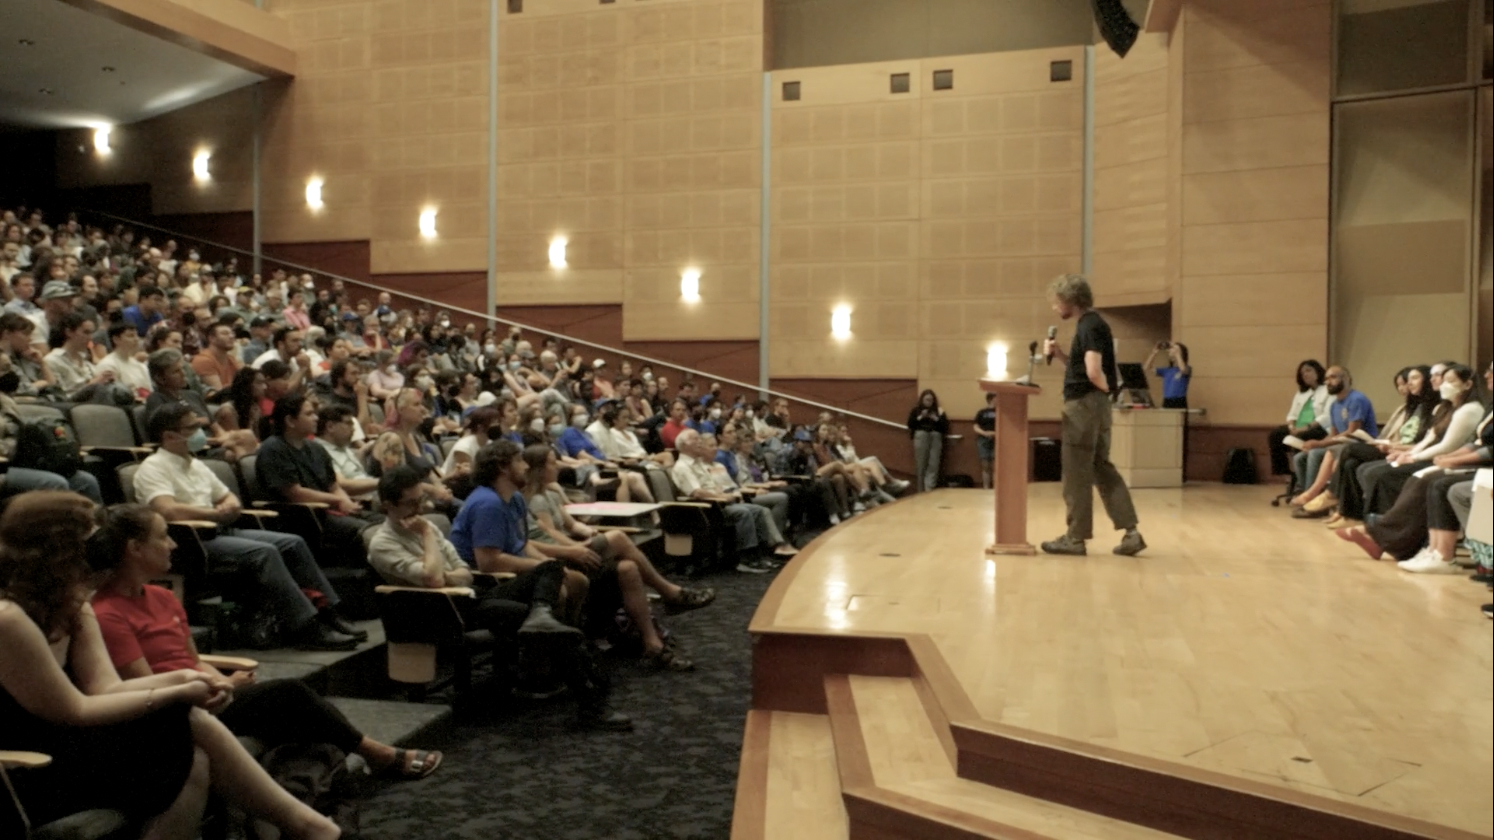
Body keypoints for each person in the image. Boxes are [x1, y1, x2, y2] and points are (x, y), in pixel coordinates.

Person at [0, 491, 343, 840]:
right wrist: (177, 693)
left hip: (79, 742)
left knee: (196, 757)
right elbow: (75, 709)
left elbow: (106, 687)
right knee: (181, 720)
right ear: (59, 551)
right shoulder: (9, 618)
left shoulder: (74, 606)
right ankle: (309, 827)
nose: (101, 552)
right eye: (92, 541)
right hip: (31, 765)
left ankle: (309, 827)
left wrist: (186, 677)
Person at [89, 503, 443, 780]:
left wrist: (220, 683)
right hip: (171, 712)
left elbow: (192, 660)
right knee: (288, 695)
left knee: (298, 719)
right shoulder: (107, 613)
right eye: (163, 536)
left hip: (204, 693)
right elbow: (144, 688)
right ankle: (377, 754)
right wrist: (224, 685)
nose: (173, 544)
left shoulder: (163, 597)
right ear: (135, 548)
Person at [134, 402, 365, 650]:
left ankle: (330, 612)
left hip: (220, 530)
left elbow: (227, 496)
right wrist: (214, 513)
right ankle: (306, 627)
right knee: (264, 552)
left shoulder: (195, 464)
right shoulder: (153, 467)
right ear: (169, 435)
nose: (201, 433)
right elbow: (167, 510)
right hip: (192, 541)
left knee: (292, 542)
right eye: (192, 428)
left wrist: (230, 505)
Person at [439, 449, 635, 731]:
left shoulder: (515, 498)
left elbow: (523, 545)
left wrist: (548, 566)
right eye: (519, 461)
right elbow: (488, 562)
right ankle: (559, 678)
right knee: (555, 592)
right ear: (503, 467)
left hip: (505, 581)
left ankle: (551, 656)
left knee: (570, 578)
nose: (525, 466)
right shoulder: (486, 503)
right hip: (484, 587)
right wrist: (546, 568)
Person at [521, 445, 712, 670]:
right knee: (619, 537)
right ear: (539, 469)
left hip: (573, 549)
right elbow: (550, 535)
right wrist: (577, 547)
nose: (558, 467)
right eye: (552, 463)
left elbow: (572, 525)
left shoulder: (550, 494)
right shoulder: (534, 501)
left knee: (628, 567)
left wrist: (589, 533)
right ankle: (669, 592)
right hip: (562, 557)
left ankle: (652, 643)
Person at [1040, 274, 1145, 557]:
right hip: (1096, 404)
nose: (1055, 307)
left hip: (1083, 407)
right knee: (1101, 467)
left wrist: (1106, 390)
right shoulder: (1095, 324)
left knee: (1076, 472)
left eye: (1057, 301)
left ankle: (1075, 538)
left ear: (1070, 300)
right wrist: (1060, 355)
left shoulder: (1089, 326)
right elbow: (1084, 369)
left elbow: (1093, 371)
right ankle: (1131, 532)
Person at [257, 393, 383, 567]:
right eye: (309, 414)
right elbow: (295, 493)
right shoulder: (273, 449)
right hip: (304, 518)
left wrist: (346, 502)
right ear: (290, 420)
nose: (316, 418)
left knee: (388, 523)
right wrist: (338, 500)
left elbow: (333, 486)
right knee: (370, 532)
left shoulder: (316, 448)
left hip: (330, 510)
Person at [1267, 360, 1331, 478]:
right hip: (1298, 426)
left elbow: (1327, 416)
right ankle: (1285, 473)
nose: (1305, 375)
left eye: (1308, 370)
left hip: (1318, 428)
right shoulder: (1301, 393)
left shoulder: (1328, 390)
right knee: (1275, 435)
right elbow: (1292, 414)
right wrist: (1291, 426)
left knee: (1300, 436)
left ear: (1318, 371)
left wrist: (1305, 427)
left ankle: (1301, 475)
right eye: (1302, 373)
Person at [907, 390, 948, 493]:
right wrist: (921, 417)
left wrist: (935, 418)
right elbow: (910, 424)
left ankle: (929, 490)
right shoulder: (916, 410)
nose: (929, 402)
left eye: (931, 400)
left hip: (935, 436)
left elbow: (945, 426)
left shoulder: (939, 411)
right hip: (921, 435)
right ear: (922, 400)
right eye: (927, 400)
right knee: (921, 464)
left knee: (934, 463)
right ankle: (920, 491)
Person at [1144, 341, 1192, 410]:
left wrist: (1177, 354)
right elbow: (1147, 368)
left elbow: (1183, 370)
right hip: (1167, 400)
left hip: (1179, 400)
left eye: (1173, 348)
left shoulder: (1187, 368)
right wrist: (1154, 353)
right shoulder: (1167, 370)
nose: (1171, 350)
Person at [973, 392, 997, 490]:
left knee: (996, 466)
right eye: (996, 398)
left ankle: (996, 488)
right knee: (985, 465)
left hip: (997, 439)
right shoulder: (981, 412)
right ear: (990, 399)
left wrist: (995, 433)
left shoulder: (1001, 412)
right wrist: (984, 433)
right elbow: (975, 426)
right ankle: (986, 488)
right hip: (983, 439)